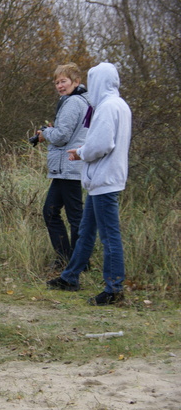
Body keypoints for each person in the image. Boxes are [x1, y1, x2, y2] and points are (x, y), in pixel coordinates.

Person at [47, 62, 132, 306]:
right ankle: (70, 277)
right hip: (102, 179)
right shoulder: (119, 105)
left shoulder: (107, 107)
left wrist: (80, 153)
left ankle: (114, 289)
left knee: (109, 237)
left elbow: (102, 145)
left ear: (99, 82)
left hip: (105, 179)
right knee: (85, 232)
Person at [36, 63, 90, 270]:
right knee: (51, 212)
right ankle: (67, 259)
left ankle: (77, 263)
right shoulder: (80, 101)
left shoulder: (74, 102)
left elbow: (61, 136)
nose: (59, 85)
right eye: (57, 82)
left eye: (64, 81)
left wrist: (45, 134)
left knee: (73, 216)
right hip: (65, 169)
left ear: (76, 82)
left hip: (69, 167)